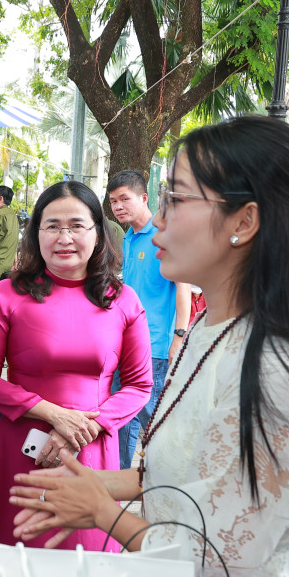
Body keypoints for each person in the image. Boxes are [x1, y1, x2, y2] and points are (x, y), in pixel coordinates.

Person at [10, 116, 289, 577]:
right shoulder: (211, 329)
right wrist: (95, 484)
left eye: (176, 199)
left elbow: (216, 565)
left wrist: (101, 512)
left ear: (244, 222)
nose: (158, 220)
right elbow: (178, 476)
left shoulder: (277, 370)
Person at [0, 181, 152, 551]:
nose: (64, 237)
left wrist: (88, 424)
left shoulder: (123, 300)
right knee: (17, 557)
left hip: (93, 447)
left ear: (97, 233)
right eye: (52, 226)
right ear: (35, 233)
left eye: (76, 225)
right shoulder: (8, 294)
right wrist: (55, 414)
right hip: (19, 445)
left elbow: (138, 386)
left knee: (88, 563)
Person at [108, 169, 192, 469]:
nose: (118, 206)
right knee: (120, 418)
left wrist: (179, 338)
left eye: (125, 199)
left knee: (154, 420)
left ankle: (175, 477)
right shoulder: (129, 238)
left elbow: (183, 288)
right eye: (114, 201)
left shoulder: (163, 235)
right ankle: (117, 488)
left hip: (155, 346)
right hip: (123, 344)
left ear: (144, 198)